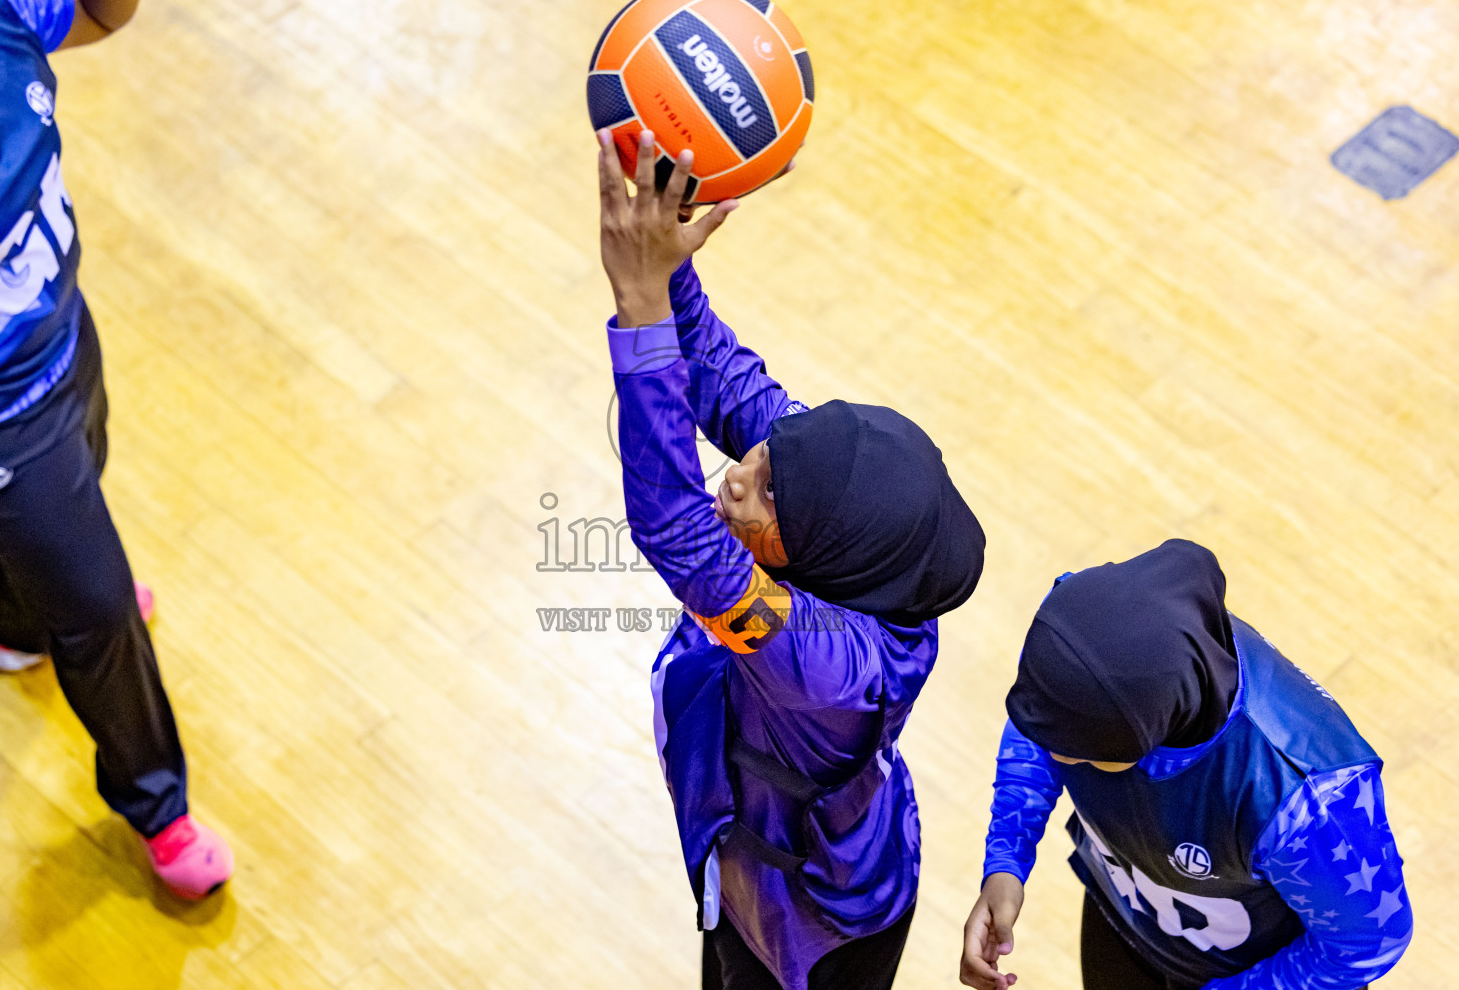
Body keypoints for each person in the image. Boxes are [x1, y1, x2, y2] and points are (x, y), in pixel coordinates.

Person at [597, 128, 987, 990]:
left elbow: (675, 530)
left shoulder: (832, 668)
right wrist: (665, 250)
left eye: (766, 495)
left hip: (817, 921)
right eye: (767, 460)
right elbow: (722, 377)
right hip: (739, 859)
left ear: (824, 558)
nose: (739, 478)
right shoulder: (834, 504)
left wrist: (639, 307)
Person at [0, 0, 231, 899]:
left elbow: (103, 13)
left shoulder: (7, 19)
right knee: (101, 615)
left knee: (84, 484)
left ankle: (18, 629)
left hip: (63, 340)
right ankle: (159, 809)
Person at [959, 539, 1411, 990]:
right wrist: (1006, 863)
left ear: (1152, 731)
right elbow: (1040, 726)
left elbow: (1365, 945)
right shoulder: (1076, 636)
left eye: (1079, 748)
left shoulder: (1305, 802)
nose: (1056, 755)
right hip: (1125, 929)